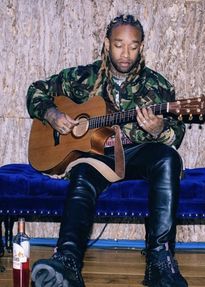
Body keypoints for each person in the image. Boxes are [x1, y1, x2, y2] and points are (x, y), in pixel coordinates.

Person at [27, 14, 187, 287]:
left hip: (136, 153)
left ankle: (160, 262)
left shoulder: (157, 85)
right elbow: (36, 91)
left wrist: (159, 130)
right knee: (82, 174)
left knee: (168, 158)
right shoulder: (82, 78)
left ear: (142, 47)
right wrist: (52, 115)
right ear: (106, 44)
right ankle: (67, 262)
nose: (126, 53)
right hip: (94, 156)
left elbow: (177, 131)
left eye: (133, 46)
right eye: (118, 45)